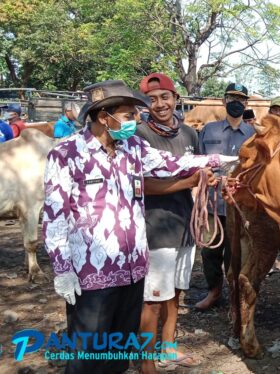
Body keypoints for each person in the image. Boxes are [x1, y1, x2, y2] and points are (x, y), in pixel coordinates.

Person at [42, 80, 236, 374]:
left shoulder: (132, 147)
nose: (136, 120)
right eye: (128, 115)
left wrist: (222, 160)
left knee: (118, 354)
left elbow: (173, 163)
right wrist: (62, 269)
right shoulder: (67, 154)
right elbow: (55, 216)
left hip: (132, 270)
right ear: (104, 117)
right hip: (92, 276)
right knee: (88, 357)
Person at [134, 73, 203, 372]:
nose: (160, 104)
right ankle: (146, 362)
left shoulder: (189, 135)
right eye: (152, 99)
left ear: (176, 99)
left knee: (175, 292)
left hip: (184, 224)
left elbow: (201, 172)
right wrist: (188, 181)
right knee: (151, 298)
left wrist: (209, 183)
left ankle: (169, 347)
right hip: (155, 226)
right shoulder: (139, 135)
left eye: (165, 97)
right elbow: (142, 185)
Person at [196, 83, 256, 310]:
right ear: (223, 101)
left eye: (240, 99)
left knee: (237, 252)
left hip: (239, 204)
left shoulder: (252, 134)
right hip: (212, 202)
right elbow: (199, 162)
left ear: (246, 104)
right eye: (231, 98)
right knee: (210, 251)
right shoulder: (209, 130)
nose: (235, 103)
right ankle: (214, 291)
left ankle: (234, 296)